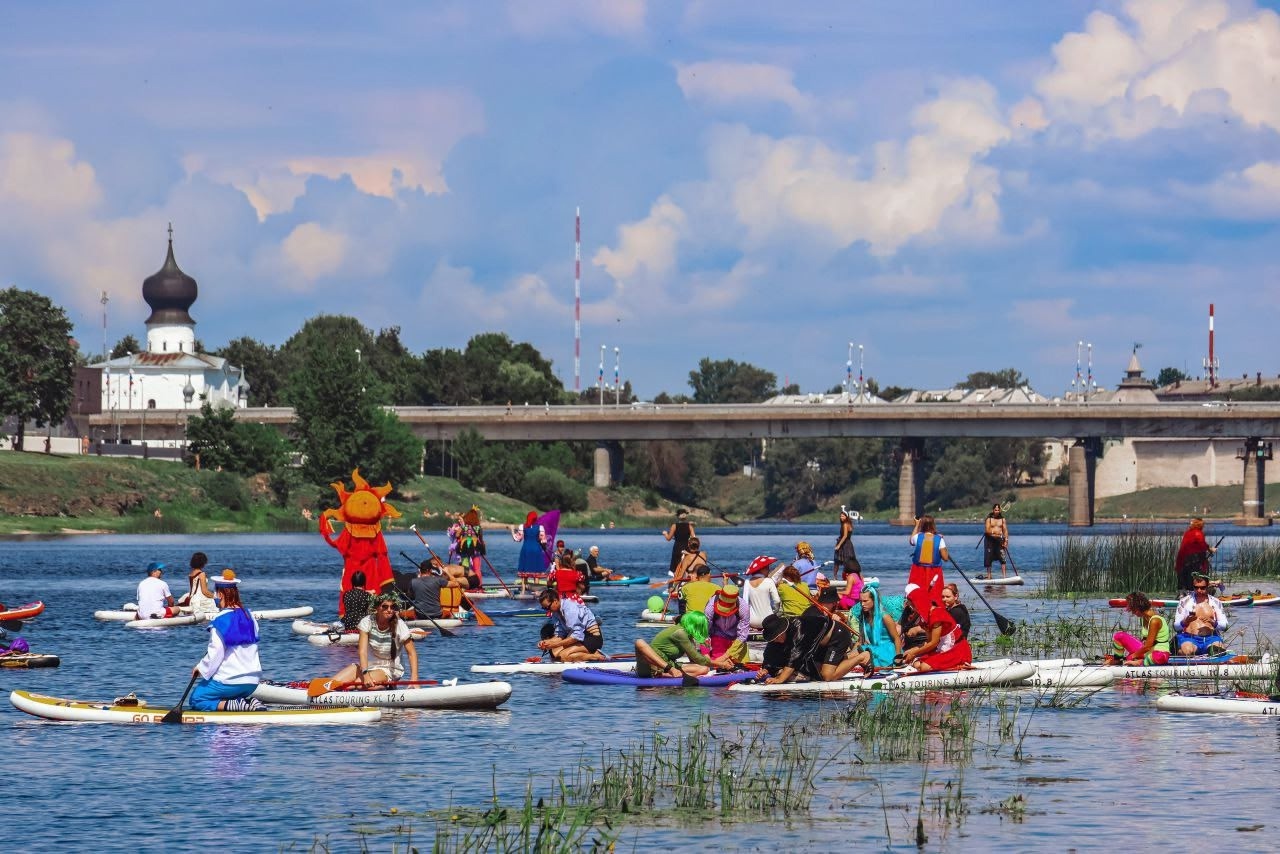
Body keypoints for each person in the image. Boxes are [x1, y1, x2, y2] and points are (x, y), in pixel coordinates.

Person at [188, 571, 266, 711]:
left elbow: (216, 653)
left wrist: (200, 668)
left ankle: (236, 705)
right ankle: (245, 702)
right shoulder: (250, 617)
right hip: (252, 682)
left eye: (215, 593)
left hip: (230, 681)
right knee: (223, 693)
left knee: (197, 699)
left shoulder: (220, 621)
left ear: (221, 594)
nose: (215, 596)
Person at [762, 592, 859, 684]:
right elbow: (770, 653)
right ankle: (852, 654)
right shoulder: (777, 637)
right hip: (821, 644)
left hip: (838, 635)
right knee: (816, 672)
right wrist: (765, 669)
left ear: (783, 630)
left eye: (777, 637)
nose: (776, 641)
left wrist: (780, 680)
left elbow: (794, 659)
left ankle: (861, 656)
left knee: (827, 676)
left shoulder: (798, 630)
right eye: (773, 639)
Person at [329, 592, 419, 688]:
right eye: (385, 607)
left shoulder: (400, 625)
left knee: (358, 685)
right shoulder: (367, 622)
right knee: (333, 683)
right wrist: (365, 673)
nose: (389, 610)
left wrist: (414, 678)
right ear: (376, 608)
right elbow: (362, 651)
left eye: (393, 607)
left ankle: (386, 687)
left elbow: (412, 653)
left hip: (389, 669)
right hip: (368, 666)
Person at [635, 611, 718, 678]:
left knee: (704, 669)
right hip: (650, 667)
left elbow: (695, 660)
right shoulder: (680, 632)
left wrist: (704, 647)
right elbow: (698, 659)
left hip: (667, 667)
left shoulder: (689, 637)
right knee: (639, 642)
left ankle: (665, 675)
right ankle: (669, 672)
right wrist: (720, 664)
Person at [901, 598, 972, 673]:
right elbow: (929, 641)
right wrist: (913, 650)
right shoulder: (922, 617)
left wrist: (914, 653)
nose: (912, 608)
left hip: (956, 649)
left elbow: (934, 642)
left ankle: (959, 665)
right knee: (917, 663)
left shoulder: (936, 613)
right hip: (942, 647)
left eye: (912, 605)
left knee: (924, 667)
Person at [537, 589, 605, 661]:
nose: (547, 610)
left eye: (547, 607)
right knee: (554, 655)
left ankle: (595, 656)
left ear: (555, 601)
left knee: (563, 656)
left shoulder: (570, 609)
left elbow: (576, 636)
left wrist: (555, 644)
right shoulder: (556, 612)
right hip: (582, 637)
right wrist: (546, 643)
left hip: (592, 638)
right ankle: (585, 654)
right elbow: (560, 635)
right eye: (544, 608)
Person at [1105, 591, 1171, 666]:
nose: (1133, 613)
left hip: (1159, 652)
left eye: (1133, 610)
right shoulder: (1145, 618)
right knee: (1119, 636)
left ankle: (1140, 662)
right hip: (1147, 652)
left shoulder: (1155, 621)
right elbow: (1144, 642)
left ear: (1139, 607)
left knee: (1157, 657)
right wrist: (1131, 655)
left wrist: (1132, 656)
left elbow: (1147, 647)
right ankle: (1117, 660)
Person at [850, 582, 902, 672]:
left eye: (865, 601)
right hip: (874, 648)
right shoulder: (863, 617)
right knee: (851, 656)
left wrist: (898, 659)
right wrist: (851, 654)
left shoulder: (885, 617)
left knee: (858, 656)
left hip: (888, 651)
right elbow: (860, 641)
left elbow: (896, 639)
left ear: (874, 601)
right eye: (861, 601)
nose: (862, 604)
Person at [1173, 574, 1228, 655]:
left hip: (1211, 638)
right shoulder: (1184, 602)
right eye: (1196, 587)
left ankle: (1209, 652)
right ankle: (1180, 651)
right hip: (1190, 638)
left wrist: (1213, 622)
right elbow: (1176, 627)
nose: (1199, 590)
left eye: (1202, 588)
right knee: (1187, 651)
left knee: (1217, 652)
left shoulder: (1216, 602)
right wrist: (1185, 622)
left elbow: (1225, 626)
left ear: (1208, 586)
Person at [906, 516, 948, 617]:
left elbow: (911, 541)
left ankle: (916, 614)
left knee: (917, 594)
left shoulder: (917, 537)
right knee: (934, 595)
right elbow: (945, 557)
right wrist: (941, 542)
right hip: (934, 572)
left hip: (918, 571)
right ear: (933, 525)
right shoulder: (939, 539)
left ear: (922, 525)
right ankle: (934, 614)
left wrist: (916, 525)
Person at [704, 585, 750, 666]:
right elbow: (704, 633)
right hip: (717, 636)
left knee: (742, 667)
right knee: (717, 668)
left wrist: (726, 656)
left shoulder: (743, 607)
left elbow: (742, 636)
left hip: (736, 639)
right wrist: (707, 655)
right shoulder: (710, 607)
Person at [1175, 518, 1215, 592]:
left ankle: (1182, 594)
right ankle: (1192, 595)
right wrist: (1211, 550)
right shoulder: (1198, 533)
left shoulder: (1187, 533)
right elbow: (1202, 544)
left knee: (1184, 580)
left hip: (1181, 560)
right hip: (1192, 560)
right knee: (1193, 577)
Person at [510, 511, 549, 575]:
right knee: (537, 570)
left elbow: (517, 539)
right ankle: (536, 583)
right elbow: (543, 541)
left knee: (524, 571)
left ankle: (524, 584)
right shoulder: (540, 527)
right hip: (536, 549)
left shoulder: (522, 526)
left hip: (526, 549)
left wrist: (512, 529)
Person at [745, 561, 781, 630]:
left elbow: (745, 603)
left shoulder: (747, 582)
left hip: (752, 621)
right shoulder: (769, 581)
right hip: (768, 620)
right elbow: (777, 600)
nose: (769, 570)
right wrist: (774, 612)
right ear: (761, 569)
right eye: (767, 568)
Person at [456, 506, 486, 585]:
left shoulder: (464, 527)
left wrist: (460, 535)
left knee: (465, 568)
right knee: (477, 568)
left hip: (465, 548)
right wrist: (483, 547)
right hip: (476, 548)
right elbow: (481, 538)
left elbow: (457, 535)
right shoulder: (478, 527)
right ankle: (479, 585)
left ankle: (465, 585)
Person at [184, 552, 217, 619]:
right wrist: (215, 596)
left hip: (192, 598)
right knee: (216, 600)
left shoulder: (191, 573)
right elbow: (204, 591)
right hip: (200, 600)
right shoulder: (202, 574)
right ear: (202, 562)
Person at [662, 509, 695, 575]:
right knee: (686, 566)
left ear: (677, 516)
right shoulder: (689, 526)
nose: (683, 514)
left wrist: (665, 534)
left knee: (677, 566)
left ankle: (676, 579)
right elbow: (694, 538)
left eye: (684, 513)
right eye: (683, 513)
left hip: (677, 549)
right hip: (687, 549)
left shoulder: (674, 526)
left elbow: (668, 538)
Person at [983, 504, 1009, 579]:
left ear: (1000, 510)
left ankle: (1004, 576)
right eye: (995, 510)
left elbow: (1005, 530)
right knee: (988, 558)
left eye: (998, 510)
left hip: (999, 540)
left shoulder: (1002, 519)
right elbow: (987, 530)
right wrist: (995, 534)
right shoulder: (989, 519)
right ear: (993, 510)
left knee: (1003, 558)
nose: (997, 511)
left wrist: (1006, 541)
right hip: (989, 540)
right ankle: (989, 576)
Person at [834, 506, 861, 577]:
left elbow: (845, 536)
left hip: (844, 545)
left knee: (838, 561)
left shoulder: (845, 524)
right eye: (840, 516)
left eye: (843, 516)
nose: (841, 517)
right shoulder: (849, 524)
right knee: (850, 561)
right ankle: (853, 575)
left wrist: (839, 545)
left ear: (846, 517)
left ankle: (835, 577)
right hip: (848, 544)